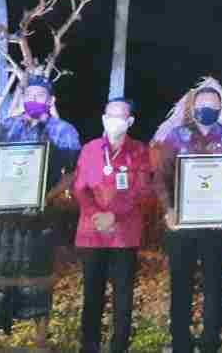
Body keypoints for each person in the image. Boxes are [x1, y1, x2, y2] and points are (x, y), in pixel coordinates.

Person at [0, 75, 82, 351]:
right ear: (22, 98)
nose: (34, 99)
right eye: (29, 95)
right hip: (3, 216)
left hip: (40, 214)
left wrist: (48, 197)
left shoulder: (63, 131)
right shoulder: (7, 127)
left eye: (40, 95)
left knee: (38, 274)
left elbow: (73, 173)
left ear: (51, 100)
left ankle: (40, 336)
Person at [153, 86, 222, 353]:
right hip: (181, 225)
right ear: (193, 108)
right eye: (202, 105)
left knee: (215, 287)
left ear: (220, 109)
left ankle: (209, 343)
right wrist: (169, 210)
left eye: (212, 106)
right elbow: (160, 178)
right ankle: (180, 343)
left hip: (216, 226)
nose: (207, 110)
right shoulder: (176, 137)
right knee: (181, 285)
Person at [73, 98, 152, 353]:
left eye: (120, 117)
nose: (114, 121)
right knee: (92, 293)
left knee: (123, 295)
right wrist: (97, 214)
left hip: (124, 234)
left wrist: (114, 216)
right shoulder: (90, 149)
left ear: (130, 121)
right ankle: (89, 346)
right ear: (103, 119)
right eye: (110, 116)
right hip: (92, 231)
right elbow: (80, 188)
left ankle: (119, 346)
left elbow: (141, 191)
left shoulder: (139, 150)